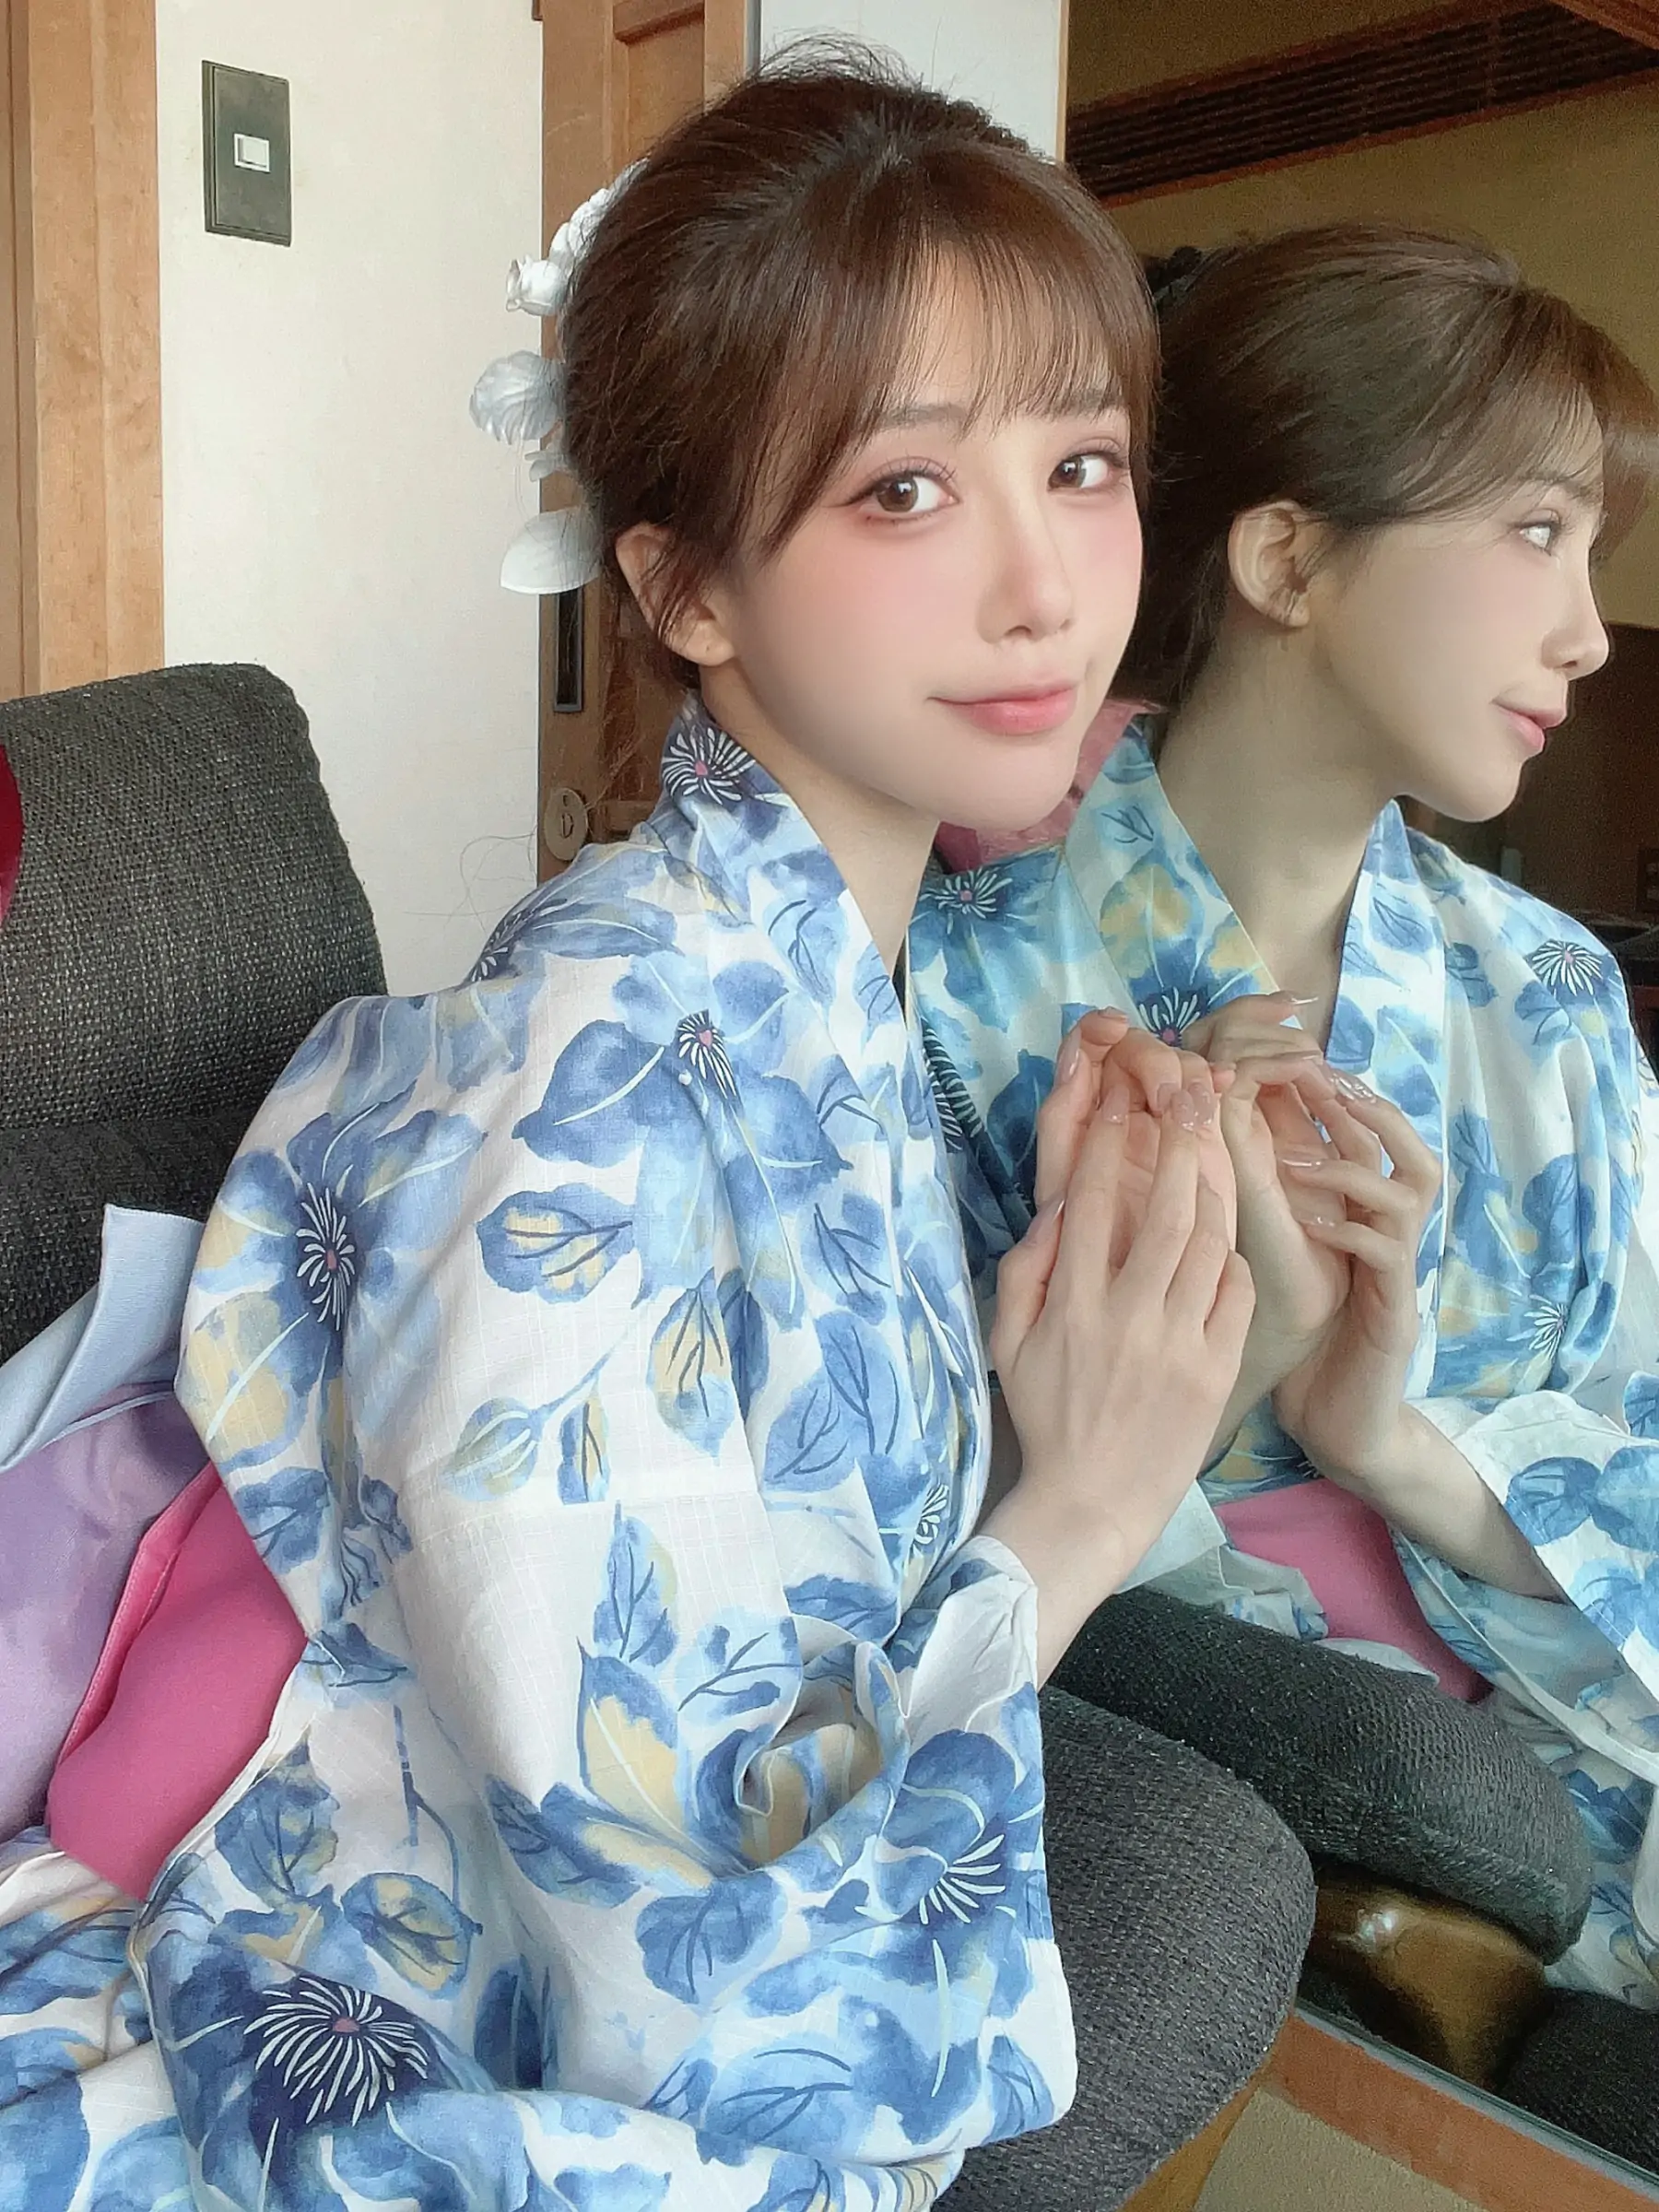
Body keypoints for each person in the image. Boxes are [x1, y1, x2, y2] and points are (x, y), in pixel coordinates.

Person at [0, 60, 1314, 2212]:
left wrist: (1112, 1344)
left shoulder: (836, 981)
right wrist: (1074, 1513)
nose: (1045, 589)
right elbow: (658, 1949)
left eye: (1082, 464)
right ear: (688, 586)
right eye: (905, 489)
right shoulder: (578, 1080)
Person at [914, 222, 1659, 2012]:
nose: (1586, 633)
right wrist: (1230, 1358)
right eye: (1537, 532)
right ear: (1288, 557)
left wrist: (1383, 1437)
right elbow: (891, 1561)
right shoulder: (945, 996)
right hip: (1242, 1855)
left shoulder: (1551, 995)